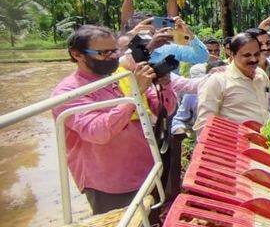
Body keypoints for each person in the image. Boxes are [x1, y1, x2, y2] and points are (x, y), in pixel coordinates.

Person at [52, 25, 177, 214]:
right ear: (77, 55)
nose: (112, 57)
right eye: (103, 53)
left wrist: (165, 86)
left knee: (149, 226)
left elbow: (165, 109)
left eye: (114, 51)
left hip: (147, 169)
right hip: (110, 183)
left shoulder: (122, 75)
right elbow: (98, 132)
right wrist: (135, 95)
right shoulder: (68, 92)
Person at [194, 32, 270, 132]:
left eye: (256, 54)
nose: (253, 59)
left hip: (265, 144)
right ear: (232, 54)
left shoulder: (261, 75)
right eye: (247, 55)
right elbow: (204, 125)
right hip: (234, 145)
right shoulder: (218, 81)